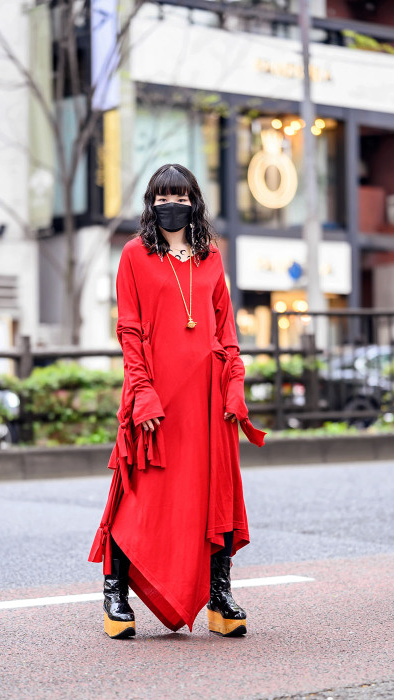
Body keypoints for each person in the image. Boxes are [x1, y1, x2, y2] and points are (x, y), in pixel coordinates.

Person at [88, 164, 267, 639]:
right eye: (164, 196)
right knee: (140, 494)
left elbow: (225, 328)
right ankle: (114, 592)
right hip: (156, 396)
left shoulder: (211, 257)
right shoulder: (133, 255)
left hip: (209, 400)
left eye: (182, 195)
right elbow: (128, 329)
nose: (174, 204)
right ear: (151, 203)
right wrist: (142, 392)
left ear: (195, 201)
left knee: (216, 493)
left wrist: (234, 383)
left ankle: (219, 595)